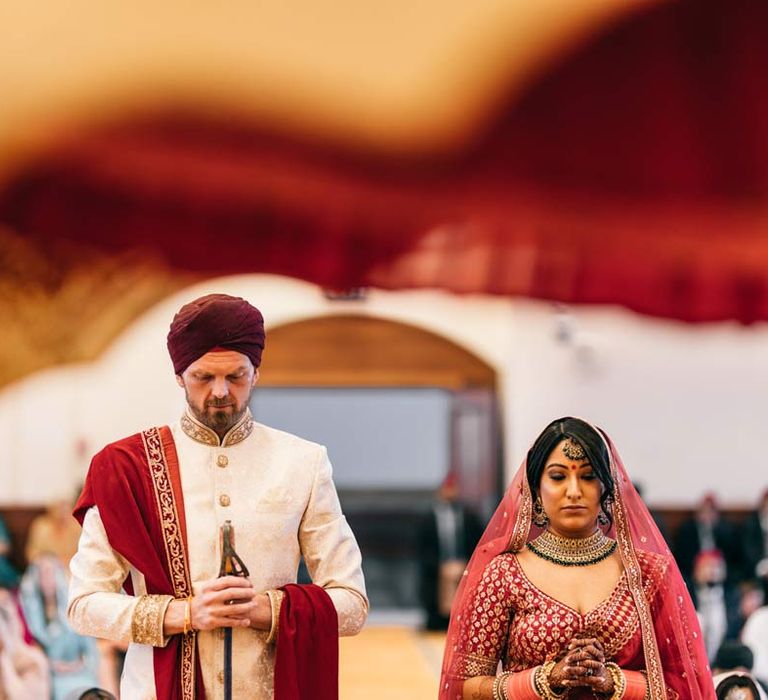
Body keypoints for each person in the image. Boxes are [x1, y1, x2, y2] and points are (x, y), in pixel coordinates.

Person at [67, 293, 368, 699]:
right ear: (179, 376)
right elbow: (82, 606)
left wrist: (266, 610)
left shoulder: (303, 462)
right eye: (203, 377)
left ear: (256, 372)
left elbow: (352, 604)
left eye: (236, 376)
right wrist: (184, 613)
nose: (221, 391)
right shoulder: (126, 467)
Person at [440, 416, 715, 699]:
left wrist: (612, 681)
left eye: (588, 476)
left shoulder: (648, 573)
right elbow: (468, 687)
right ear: (535, 489)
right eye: (558, 477)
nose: (573, 491)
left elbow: (685, 686)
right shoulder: (504, 573)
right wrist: (546, 679)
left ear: (607, 488)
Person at [20, 554, 99, 700]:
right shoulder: (31, 614)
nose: (47, 580)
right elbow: (32, 647)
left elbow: (89, 648)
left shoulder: (73, 610)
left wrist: (77, 665)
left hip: (79, 671)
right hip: (52, 675)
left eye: (51, 573)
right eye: (43, 574)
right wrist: (53, 665)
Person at [418, 472, 483, 631]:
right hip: (437, 568)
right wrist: (440, 566)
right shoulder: (428, 519)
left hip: (464, 566)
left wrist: (466, 564)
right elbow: (422, 547)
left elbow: (478, 542)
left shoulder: (469, 517)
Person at [26, 498, 83, 569]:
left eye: (65, 506)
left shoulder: (77, 527)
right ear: (50, 510)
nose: (62, 511)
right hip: (46, 569)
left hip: (71, 568)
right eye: (58, 507)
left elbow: (82, 555)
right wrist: (49, 563)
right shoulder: (41, 526)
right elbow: (32, 554)